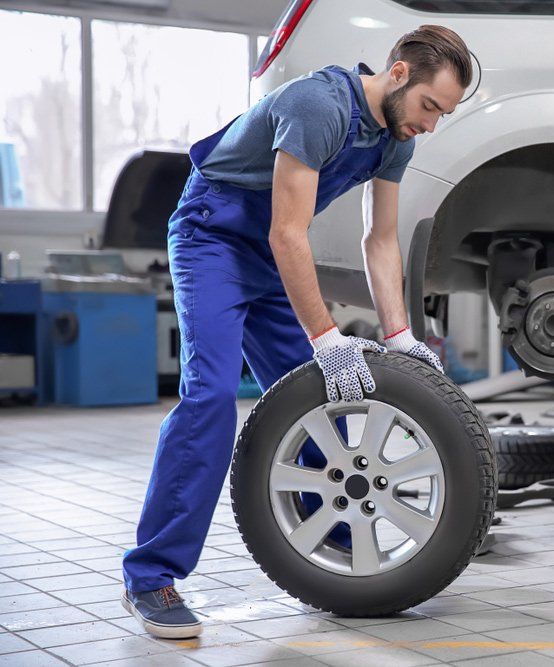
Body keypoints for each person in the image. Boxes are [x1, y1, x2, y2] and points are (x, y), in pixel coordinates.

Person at [120, 24, 473, 639]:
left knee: (321, 408)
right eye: (429, 106)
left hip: (270, 253)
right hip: (215, 238)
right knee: (210, 397)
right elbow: (289, 233)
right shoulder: (318, 105)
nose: (430, 124)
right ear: (397, 75)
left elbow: (381, 239)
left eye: (442, 113)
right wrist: (327, 339)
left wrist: (399, 336)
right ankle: (151, 575)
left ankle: (327, 557)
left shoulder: (395, 136)